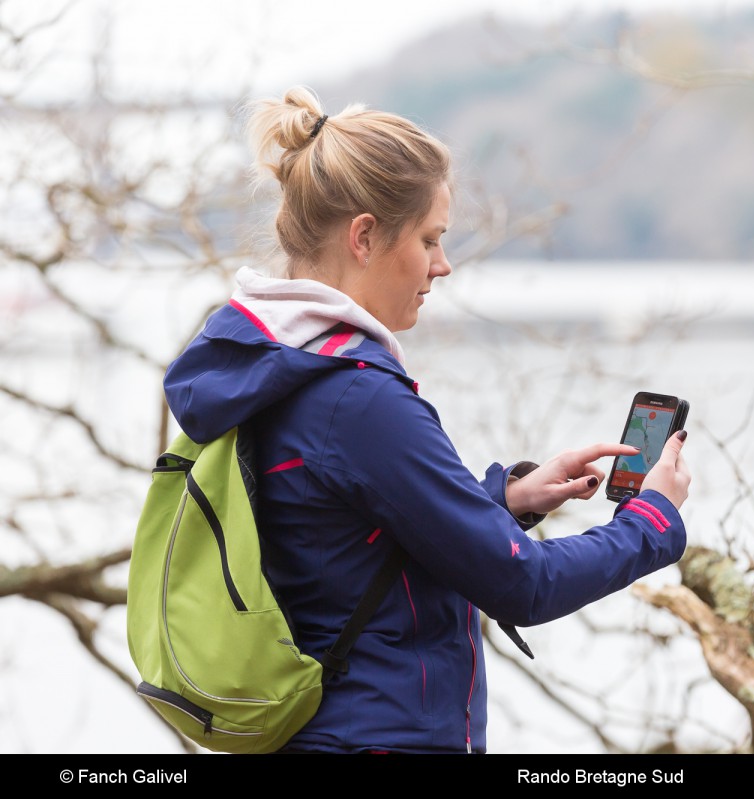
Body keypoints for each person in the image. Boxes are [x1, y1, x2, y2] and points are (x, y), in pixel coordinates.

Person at [162, 86, 690, 754]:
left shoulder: (271, 362)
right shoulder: (359, 398)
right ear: (364, 236)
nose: (443, 265)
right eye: (430, 239)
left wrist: (504, 499)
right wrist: (653, 520)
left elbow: (340, 535)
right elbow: (524, 584)